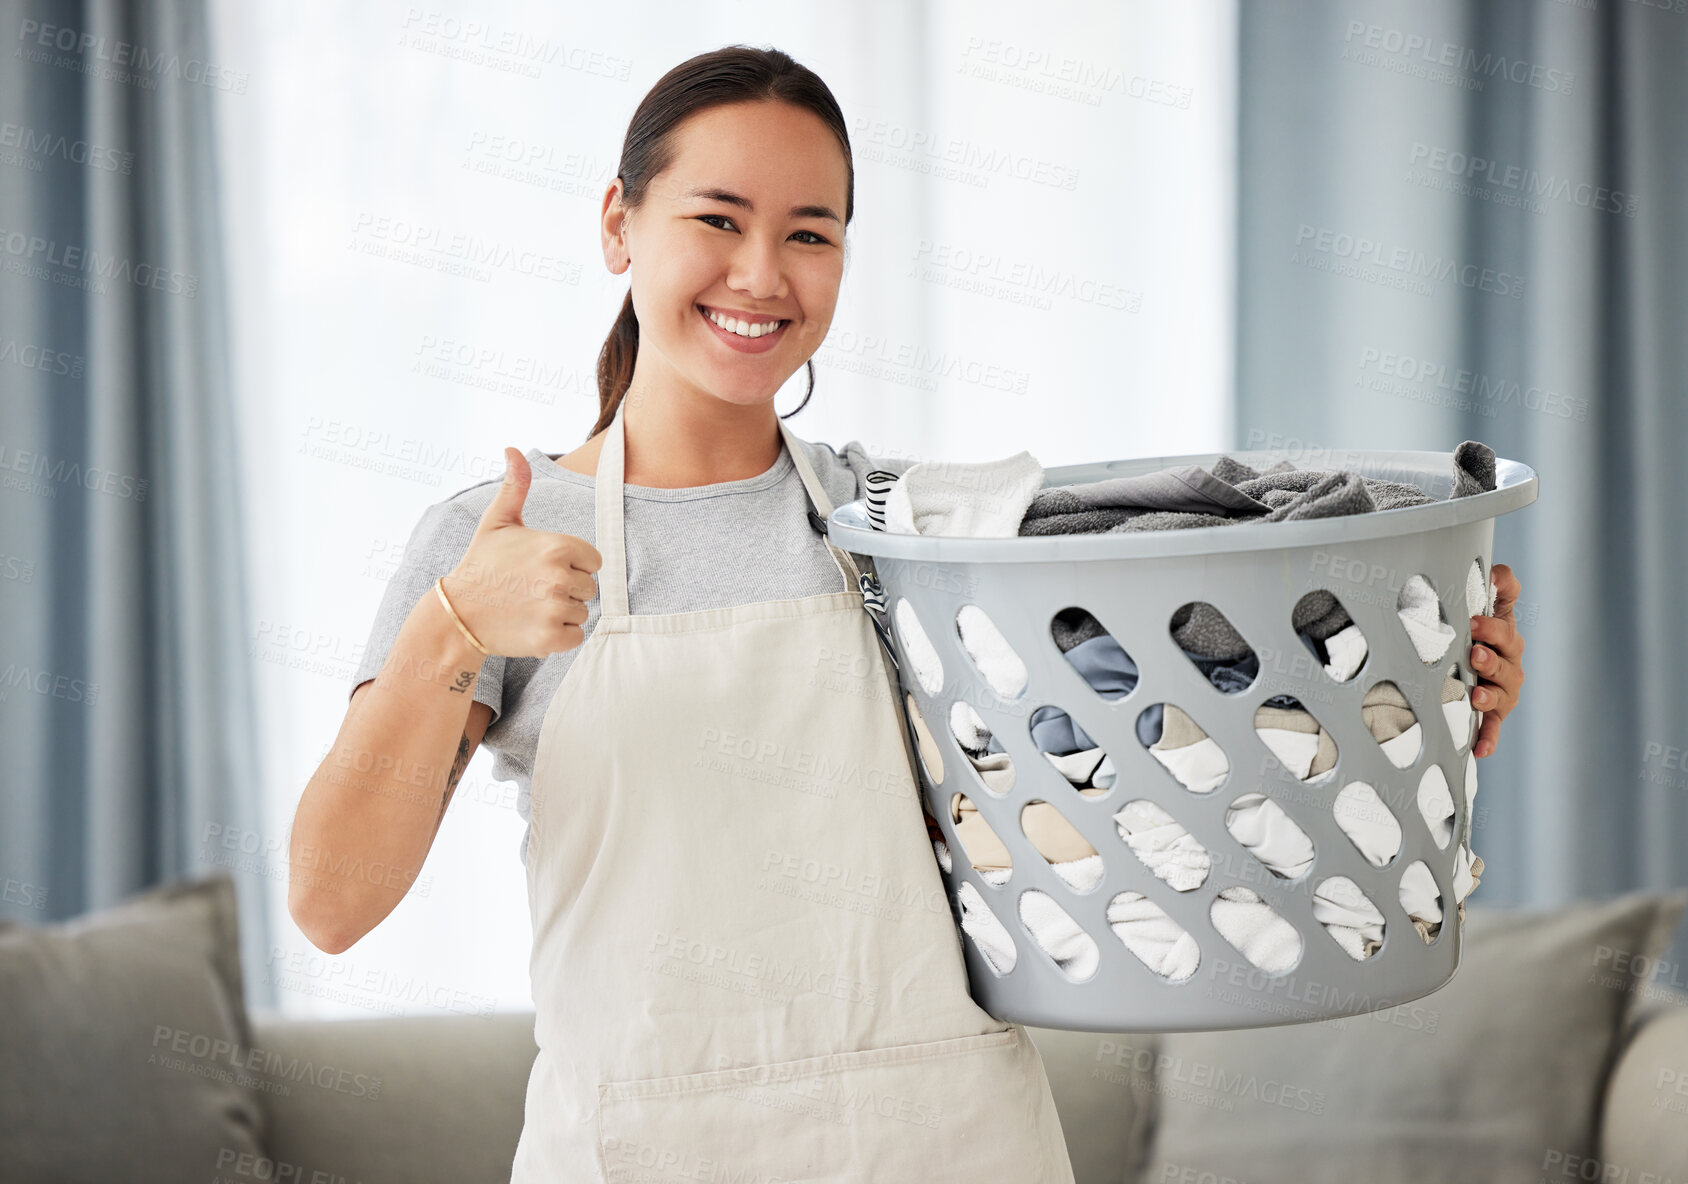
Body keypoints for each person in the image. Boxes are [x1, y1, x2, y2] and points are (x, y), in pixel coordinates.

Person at [289, 43, 1528, 1183]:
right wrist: (451, 627)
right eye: (715, 218)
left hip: (940, 1138)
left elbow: (1160, 767)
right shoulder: (495, 539)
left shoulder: (910, 533)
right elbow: (331, 902)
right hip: (643, 1146)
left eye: (808, 233)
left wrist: (1410, 679)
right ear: (620, 225)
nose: (761, 274)